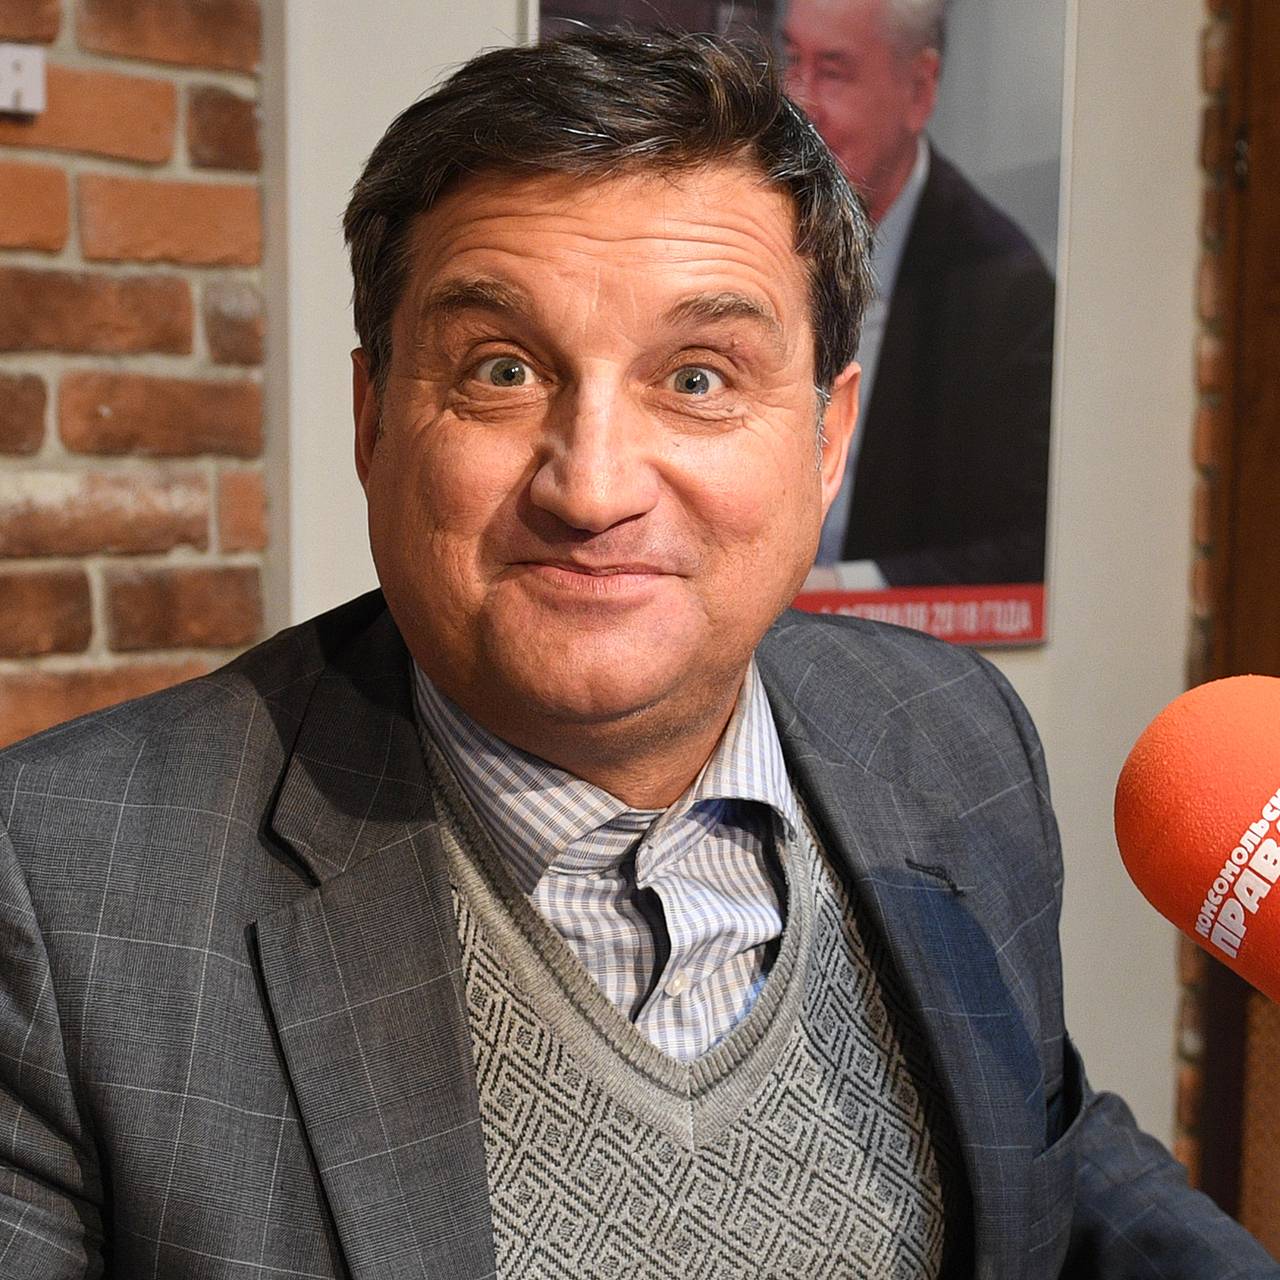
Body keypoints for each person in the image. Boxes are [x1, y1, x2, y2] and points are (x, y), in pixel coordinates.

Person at [0, 28, 1272, 1280]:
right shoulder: (70, 893)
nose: (593, 486)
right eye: (502, 369)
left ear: (826, 438)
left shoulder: (951, 734)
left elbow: (1045, 1141)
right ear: (374, 417)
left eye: (700, 378)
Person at [781, 0, 1055, 586]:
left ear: (918, 91)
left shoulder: (1004, 288)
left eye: (833, 71)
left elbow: (1025, 548)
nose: (800, 101)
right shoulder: (752, 224)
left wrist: (843, 589)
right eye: (792, 59)